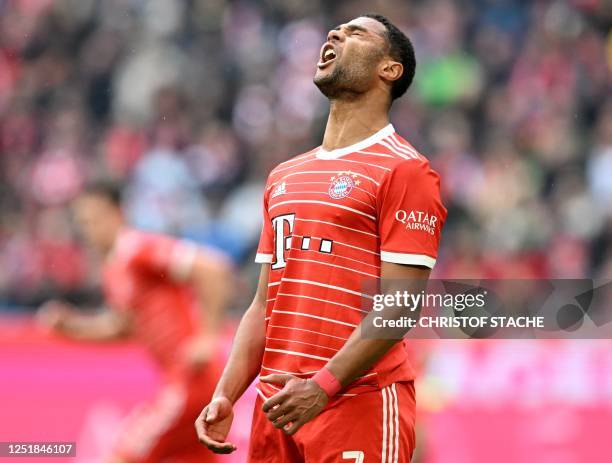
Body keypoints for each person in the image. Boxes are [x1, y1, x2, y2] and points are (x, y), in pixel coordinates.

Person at [195, 13, 447, 462]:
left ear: (389, 70)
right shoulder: (284, 176)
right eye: (335, 31)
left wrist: (322, 386)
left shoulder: (405, 169)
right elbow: (263, 306)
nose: (334, 35)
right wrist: (227, 393)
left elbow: (400, 304)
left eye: (356, 34)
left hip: (357, 402)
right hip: (279, 411)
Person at [38, 182, 231, 463]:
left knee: (120, 456)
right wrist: (73, 328)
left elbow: (212, 269)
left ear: (118, 213)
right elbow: (124, 328)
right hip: (184, 381)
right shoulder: (113, 268)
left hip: (191, 379)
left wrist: (208, 337)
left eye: (96, 218)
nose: (91, 230)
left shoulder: (137, 248)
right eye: (85, 223)